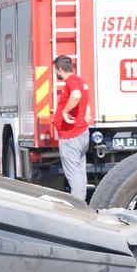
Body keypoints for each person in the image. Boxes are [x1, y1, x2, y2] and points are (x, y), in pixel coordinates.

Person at [53, 54, 92, 200]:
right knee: (80, 172)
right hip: (81, 133)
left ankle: (77, 206)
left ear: (60, 69)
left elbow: (76, 96)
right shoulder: (80, 81)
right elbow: (85, 102)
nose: (56, 74)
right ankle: (81, 202)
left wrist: (65, 111)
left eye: (55, 70)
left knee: (74, 173)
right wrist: (86, 113)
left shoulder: (71, 82)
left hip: (71, 136)